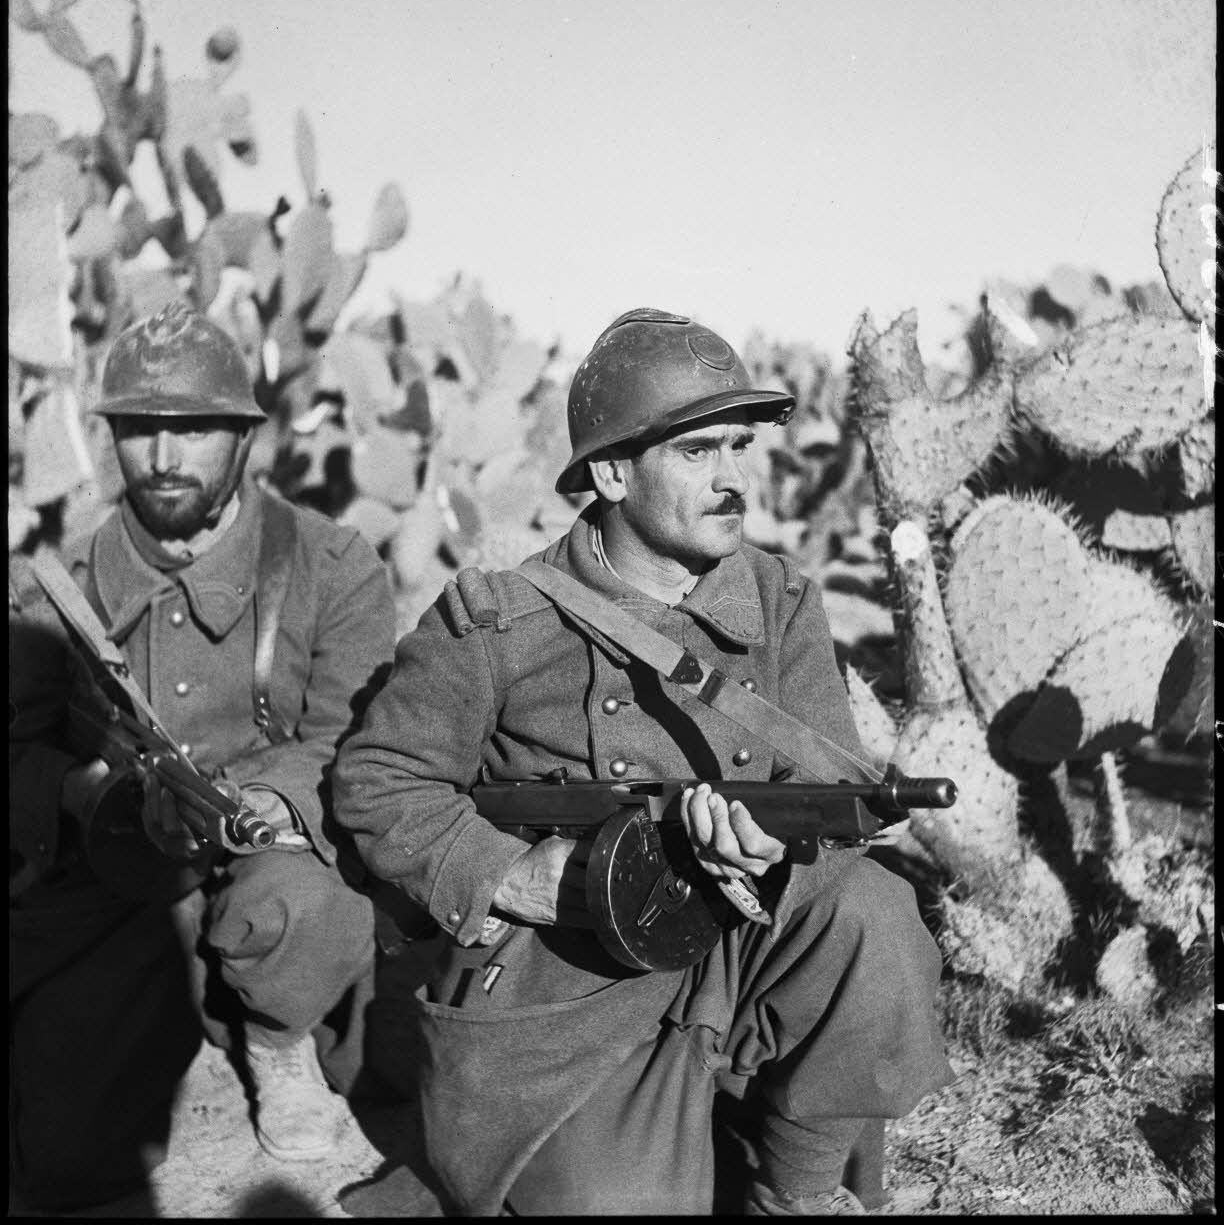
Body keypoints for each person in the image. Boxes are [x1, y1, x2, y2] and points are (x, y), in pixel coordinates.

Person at [331, 307, 955, 1215]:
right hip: (569, 982)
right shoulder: (498, 619)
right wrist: (515, 877)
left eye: (740, 447)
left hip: (737, 944)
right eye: (699, 454)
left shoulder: (781, 602)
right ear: (614, 473)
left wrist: (770, 848)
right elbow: (377, 780)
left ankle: (799, 1193)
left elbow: (824, 798)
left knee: (875, 912)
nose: (735, 478)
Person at [9, 301, 396, 1211]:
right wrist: (77, 793)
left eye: (195, 429)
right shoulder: (57, 588)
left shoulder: (331, 565)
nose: (167, 456)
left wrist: (260, 802)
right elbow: (12, 744)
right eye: (142, 430)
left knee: (302, 901)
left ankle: (275, 1040)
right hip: (127, 884)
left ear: (245, 439)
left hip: (272, 865)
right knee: (65, 1157)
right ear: (112, 442)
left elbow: (361, 741)